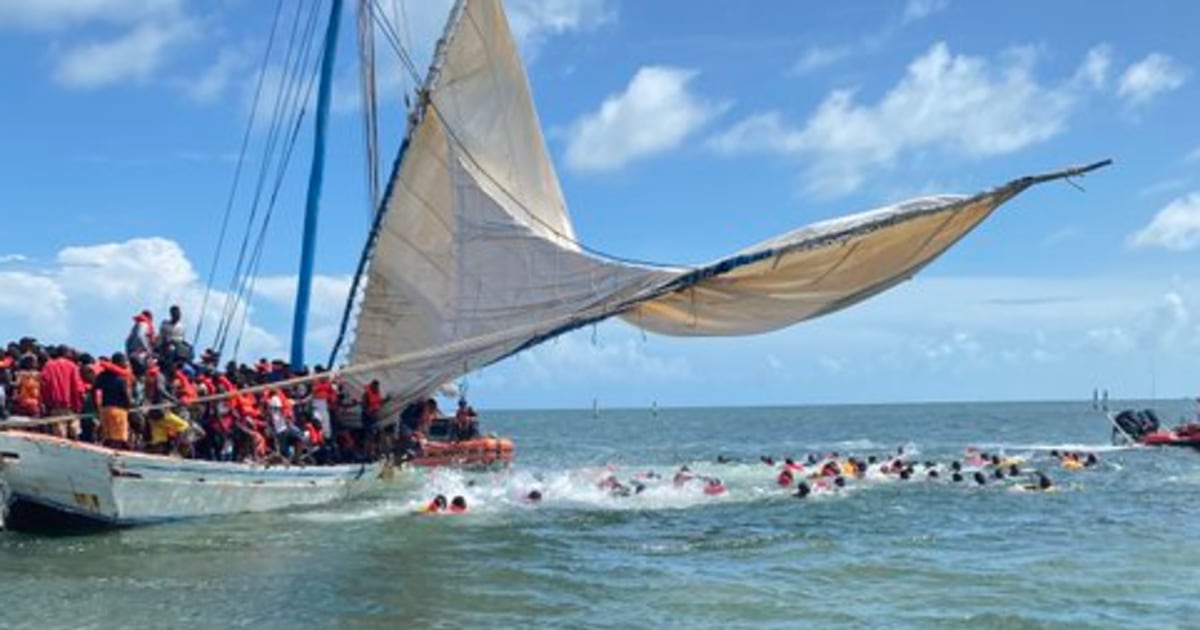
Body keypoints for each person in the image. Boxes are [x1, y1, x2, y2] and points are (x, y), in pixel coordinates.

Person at [40, 345, 85, 439]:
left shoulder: (49, 365)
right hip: (71, 407)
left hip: (55, 406)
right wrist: (79, 405)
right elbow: (78, 388)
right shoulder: (73, 366)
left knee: (59, 437)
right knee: (75, 435)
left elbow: (44, 384)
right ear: (66, 353)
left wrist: (46, 403)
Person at [95, 353, 134, 450]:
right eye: (125, 361)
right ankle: (114, 459)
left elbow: (94, 389)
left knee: (108, 438)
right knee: (118, 439)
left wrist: (96, 406)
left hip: (104, 410)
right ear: (119, 362)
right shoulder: (121, 378)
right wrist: (130, 406)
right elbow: (126, 395)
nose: (126, 364)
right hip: (118, 411)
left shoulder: (103, 375)